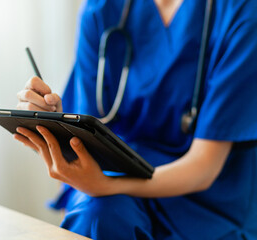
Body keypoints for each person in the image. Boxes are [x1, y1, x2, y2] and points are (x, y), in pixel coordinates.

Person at [14, 0, 257, 239]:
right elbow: (89, 135)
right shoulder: (101, 8)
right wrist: (56, 123)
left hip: (204, 200)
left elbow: (204, 168)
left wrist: (105, 186)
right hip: (113, 179)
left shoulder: (241, 13)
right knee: (95, 215)